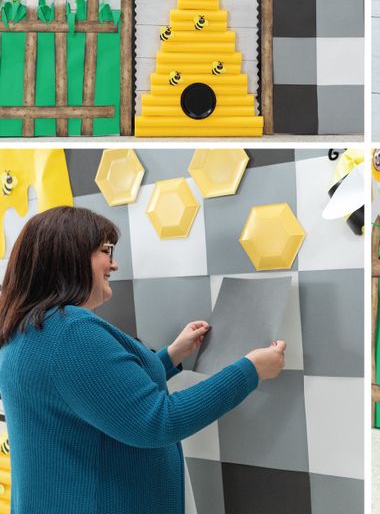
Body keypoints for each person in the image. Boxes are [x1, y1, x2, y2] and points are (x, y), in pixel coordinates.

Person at [0, 206, 286, 514]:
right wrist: (251, 370)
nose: (114, 263)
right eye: (105, 251)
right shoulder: (71, 333)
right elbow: (158, 421)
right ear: (69, 256)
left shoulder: (31, 328)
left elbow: (98, 393)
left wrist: (170, 355)